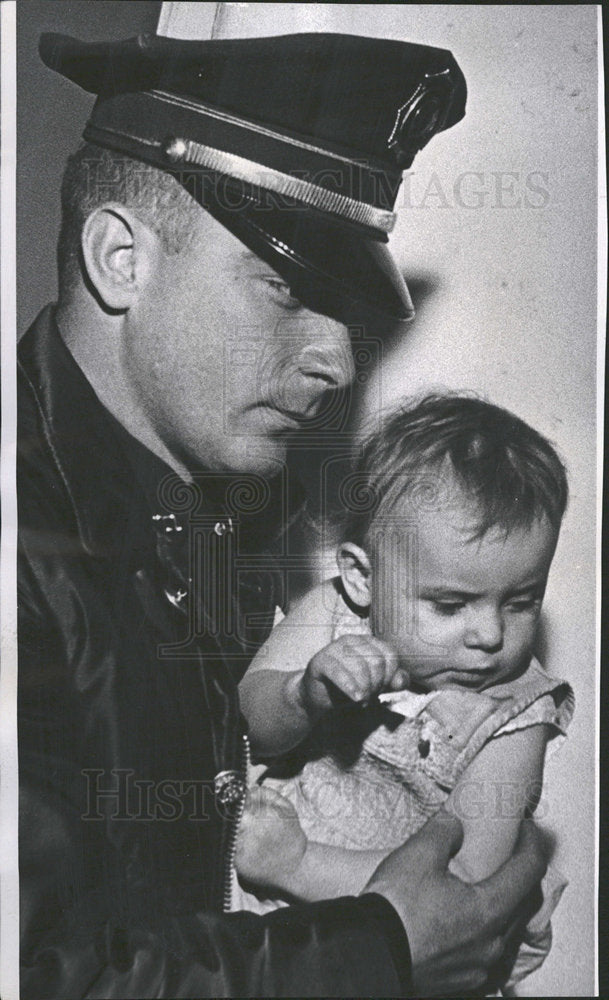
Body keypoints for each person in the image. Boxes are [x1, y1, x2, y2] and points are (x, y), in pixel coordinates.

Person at [19, 30, 546, 999]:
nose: (339, 366)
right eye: (288, 290)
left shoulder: (214, 506)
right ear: (120, 260)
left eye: (347, 316)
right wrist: (376, 951)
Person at [236, 394, 574, 989]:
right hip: (269, 927)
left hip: (414, 961)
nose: (491, 635)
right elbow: (255, 721)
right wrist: (304, 694)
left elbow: (465, 885)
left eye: (522, 601)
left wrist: (300, 864)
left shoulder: (516, 714)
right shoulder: (333, 614)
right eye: (450, 605)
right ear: (362, 578)